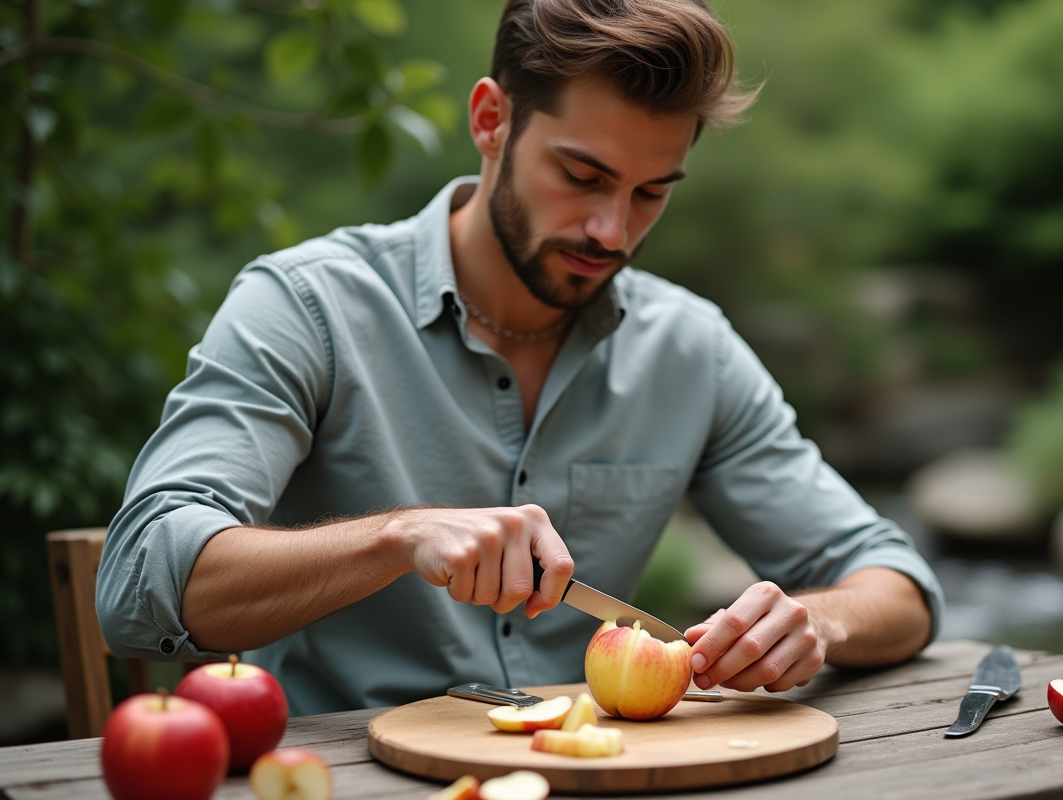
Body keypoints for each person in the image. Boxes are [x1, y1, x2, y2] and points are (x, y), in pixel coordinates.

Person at [98, 0, 944, 715]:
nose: (613, 233)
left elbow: (897, 584)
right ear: (491, 120)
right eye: (582, 175)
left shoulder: (692, 349)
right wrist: (399, 536)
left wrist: (817, 623)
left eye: (651, 192)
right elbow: (139, 581)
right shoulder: (308, 306)